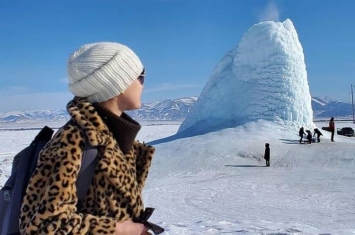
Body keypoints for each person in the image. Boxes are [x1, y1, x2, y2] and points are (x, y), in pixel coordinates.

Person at [20, 42, 154, 235]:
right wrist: (118, 229)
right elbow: (43, 226)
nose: (143, 83)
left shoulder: (113, 137)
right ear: (118, 82)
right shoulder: (74, 140)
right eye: (141, 75)